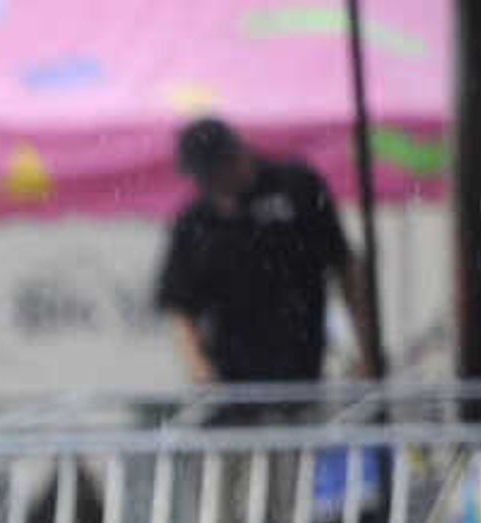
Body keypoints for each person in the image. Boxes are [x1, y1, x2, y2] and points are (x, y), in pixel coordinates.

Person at [156, 117, 378, 393]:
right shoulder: (196, 219)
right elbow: (179, 303)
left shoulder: (297, 189)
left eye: (214, 174)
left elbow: (345, 268)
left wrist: (367, 346)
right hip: (231, 378)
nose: (210, 185)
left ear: (234, 156)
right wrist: (198, 367)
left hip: (303, 364)